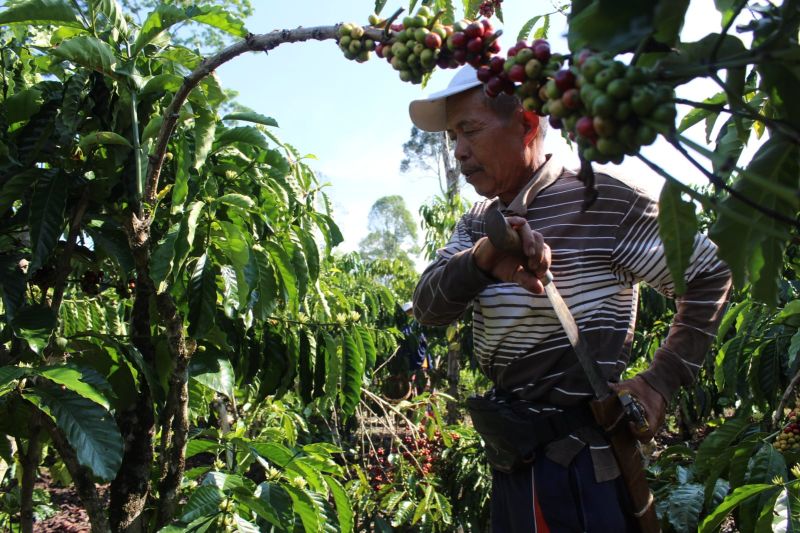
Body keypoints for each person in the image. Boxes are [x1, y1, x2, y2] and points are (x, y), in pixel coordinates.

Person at [408, 65, 732, 532]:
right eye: (453, 136)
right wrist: (482, 260)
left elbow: (709, 273)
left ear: (528, 123)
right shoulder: (478, 223)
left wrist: (660, 381)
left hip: (580, 466)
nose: (459, 151)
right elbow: (428, 307)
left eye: (470, 130)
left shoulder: (602, 202)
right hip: (512, 463)